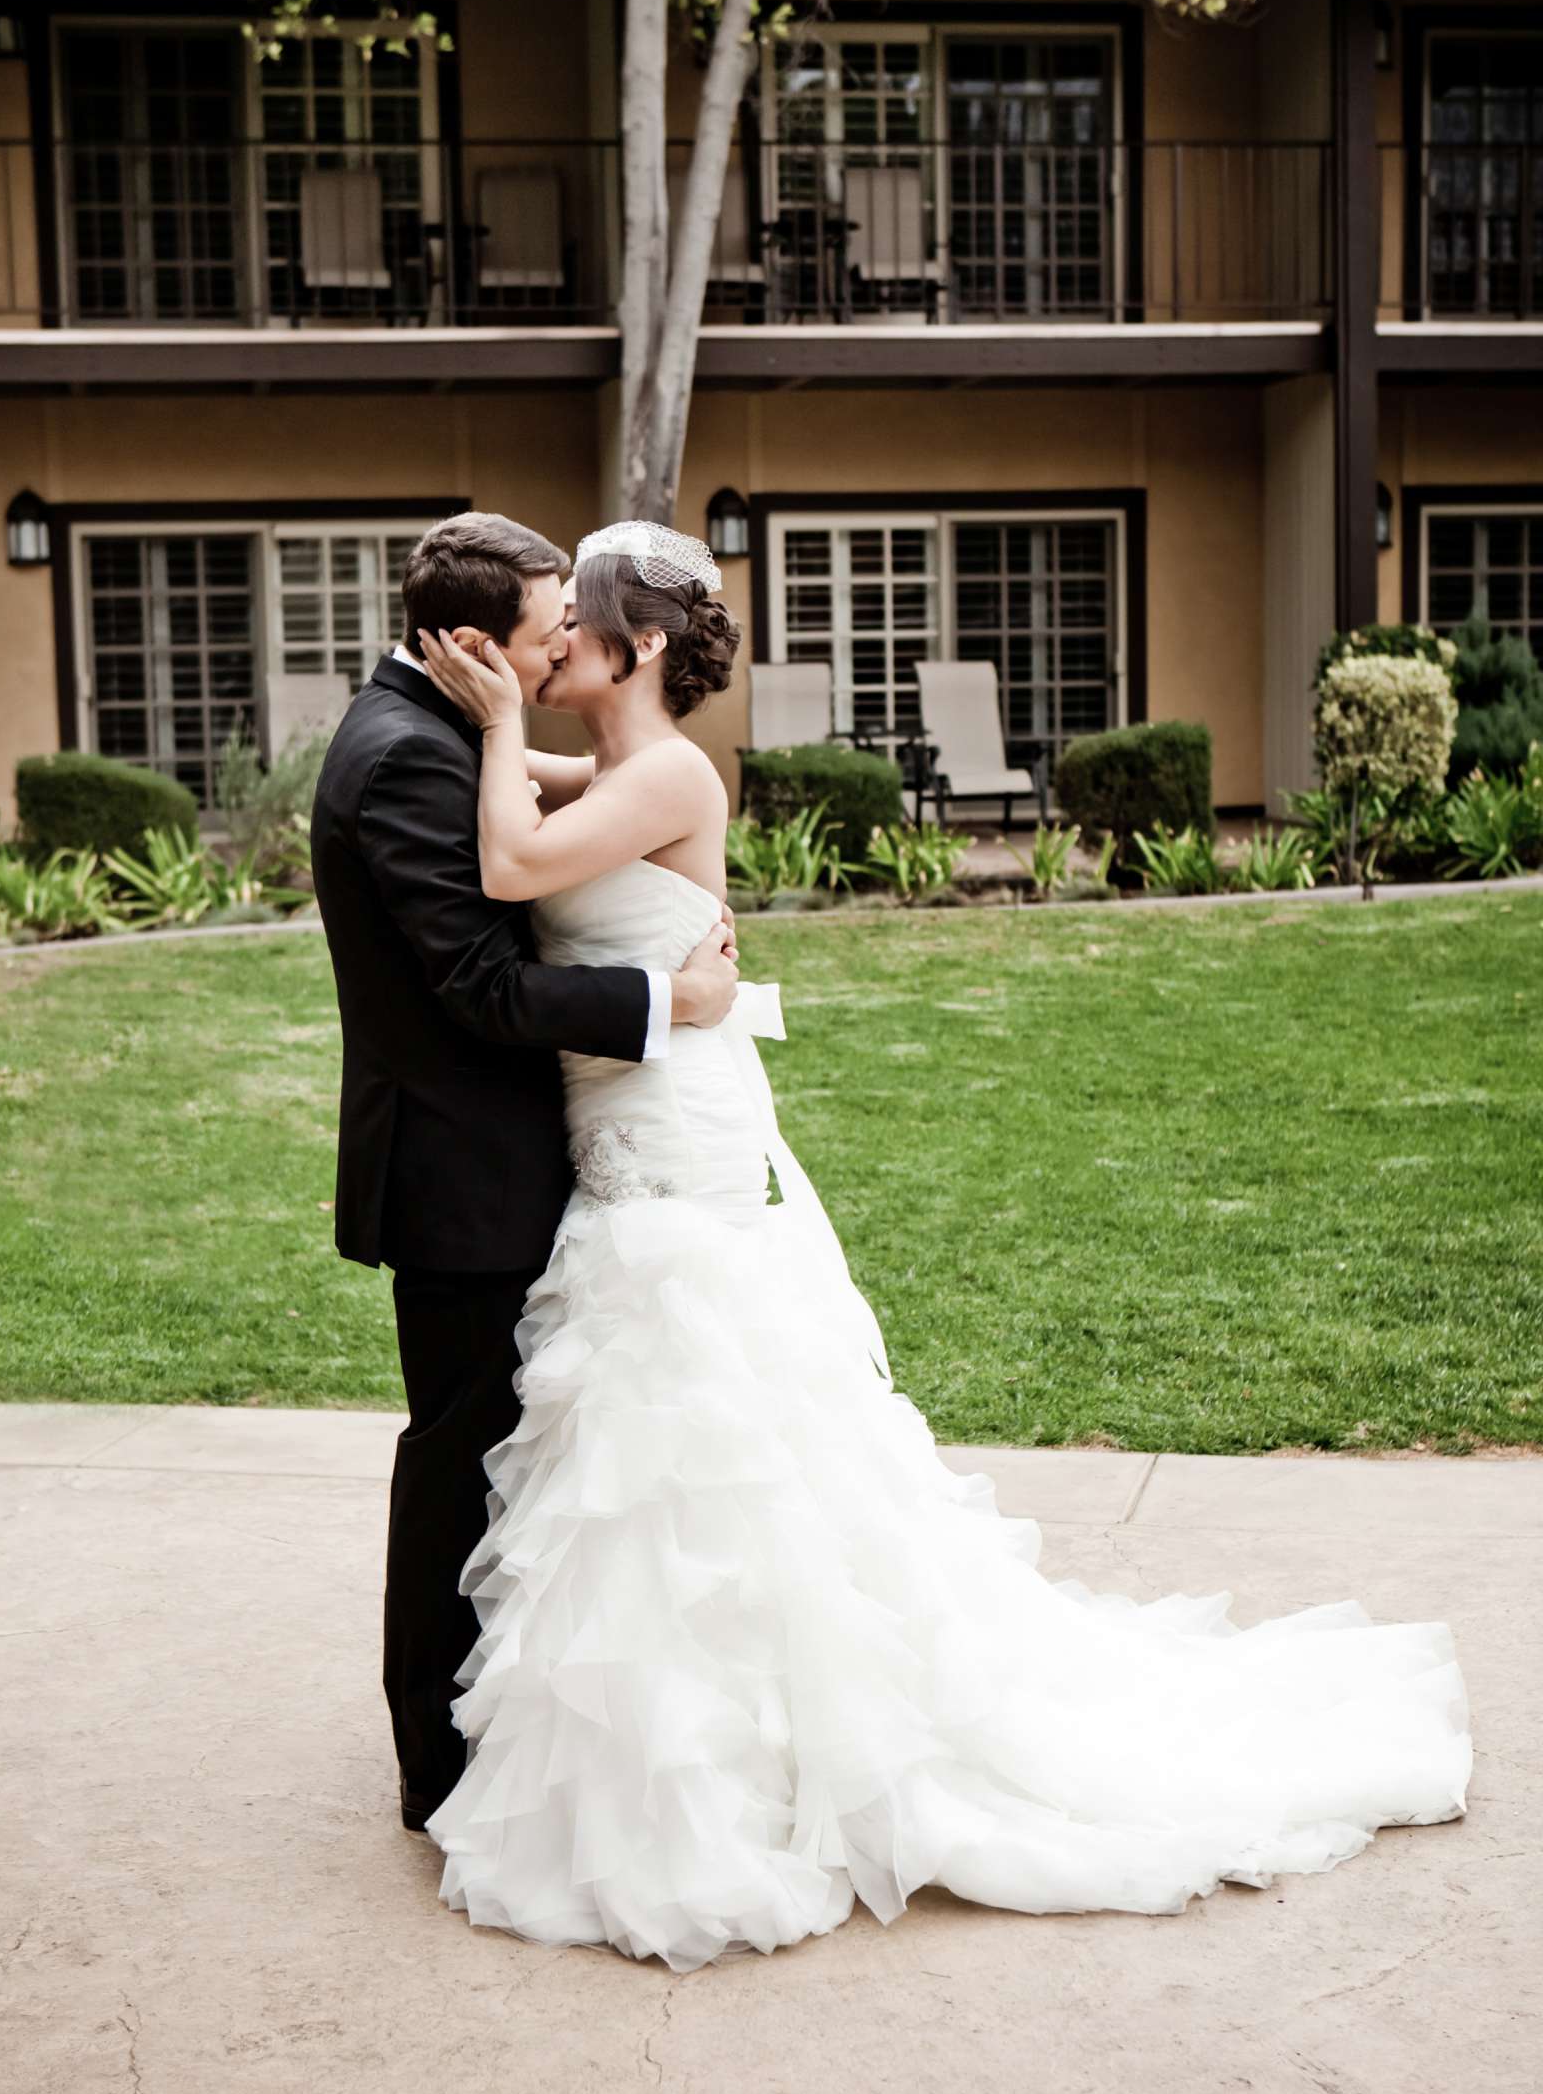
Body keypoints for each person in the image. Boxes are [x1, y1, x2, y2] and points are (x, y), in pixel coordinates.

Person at [412, 518, 1471, 1976]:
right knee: (664, 1421)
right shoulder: (627, 766)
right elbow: (541, 791)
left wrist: (494, 728)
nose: (551, 648)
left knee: (696, 1404)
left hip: (677, 1134)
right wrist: (467, 713)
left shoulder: (665, 773)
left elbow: (521, 867)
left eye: (570, 625)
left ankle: (771, 1746)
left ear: (633, 647)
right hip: (636, 1117)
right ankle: (719, 1728)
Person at [309, 511, 739, 1834]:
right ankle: (434, 1765)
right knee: (459, 1466)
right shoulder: (409, 760)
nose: (558, 652)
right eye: (546, 633)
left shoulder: (443, 738)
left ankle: (509, 1724)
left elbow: (567, 822)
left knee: (517, 1460)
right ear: (471, 644)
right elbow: (489, 987)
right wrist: (674, 1001)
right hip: (462, 1178)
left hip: (541, 1159)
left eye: (574, 630)